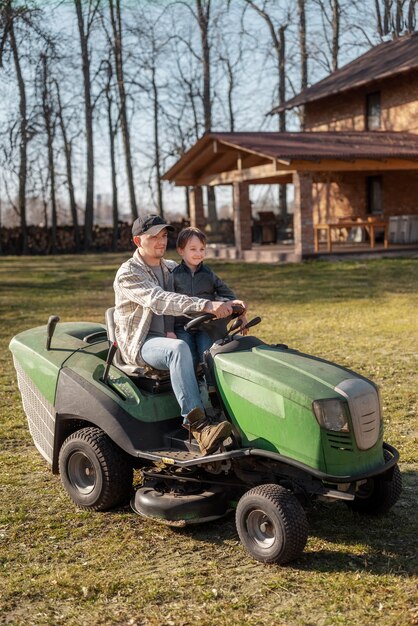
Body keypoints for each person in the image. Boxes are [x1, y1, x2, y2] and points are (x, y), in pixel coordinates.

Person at [113, 214, 246, 456]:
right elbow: (158, 299)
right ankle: (198, 426)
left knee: (220, 347)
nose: (160, 241)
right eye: (153, 237)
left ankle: (226, 412)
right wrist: (205, 306)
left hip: (173, 334)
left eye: (163, 235)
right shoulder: (128, 273)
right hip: (143, 342)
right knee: (179, 350)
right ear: (137, 241)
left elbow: (205, 286)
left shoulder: (171, 268)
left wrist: (230, 303)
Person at [172, 226, 247, 369]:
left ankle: (210, 385)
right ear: (181, 251)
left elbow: (229, 295)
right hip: (182, 327)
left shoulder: (208, 274)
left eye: (202, 249)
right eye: (193, 249)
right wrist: (168, 330)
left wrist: (241, 314)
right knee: (188, 356)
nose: (199, 253)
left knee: (207, 355)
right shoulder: (174, 275)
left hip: (205, 325)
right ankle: (194, 384)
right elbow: (167, 304)